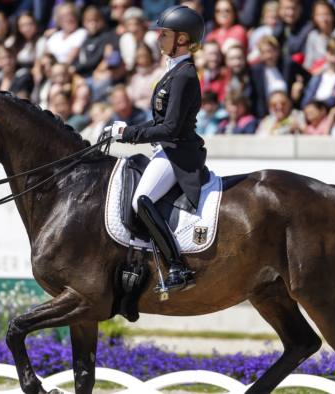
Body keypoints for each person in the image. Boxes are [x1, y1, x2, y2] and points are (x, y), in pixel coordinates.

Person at [105, 5, 206, 293]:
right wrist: (125, 129)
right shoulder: (173, 71)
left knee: (141, 200)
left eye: (164, 34)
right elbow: (159, 120)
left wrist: (127, 133)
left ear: (183, 39)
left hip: (177, 153)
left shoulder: (185, 75)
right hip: (165, 149)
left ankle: (177, 267)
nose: (158, 39)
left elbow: (170, 129)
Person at [302, 0, 335, 72]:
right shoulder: (312, 35)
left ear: (333, 16)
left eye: (327, 14)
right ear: (314, 17)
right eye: (319, 15)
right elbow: (308, 63)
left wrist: (319, 71)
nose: (324, 19)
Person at [301, 38, 335, 108]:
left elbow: (333, 101)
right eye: (332, 54)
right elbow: (306, 99)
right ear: (326, 54)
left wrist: (319, 106)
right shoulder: (318, 76)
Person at [127, 43, 164, 112]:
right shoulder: (134, 78)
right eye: (139, 56)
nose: (143, 58)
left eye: (145, 55)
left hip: (152, 110)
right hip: (135, 112)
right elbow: (130, 98)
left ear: (150, 55)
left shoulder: (159, 73)